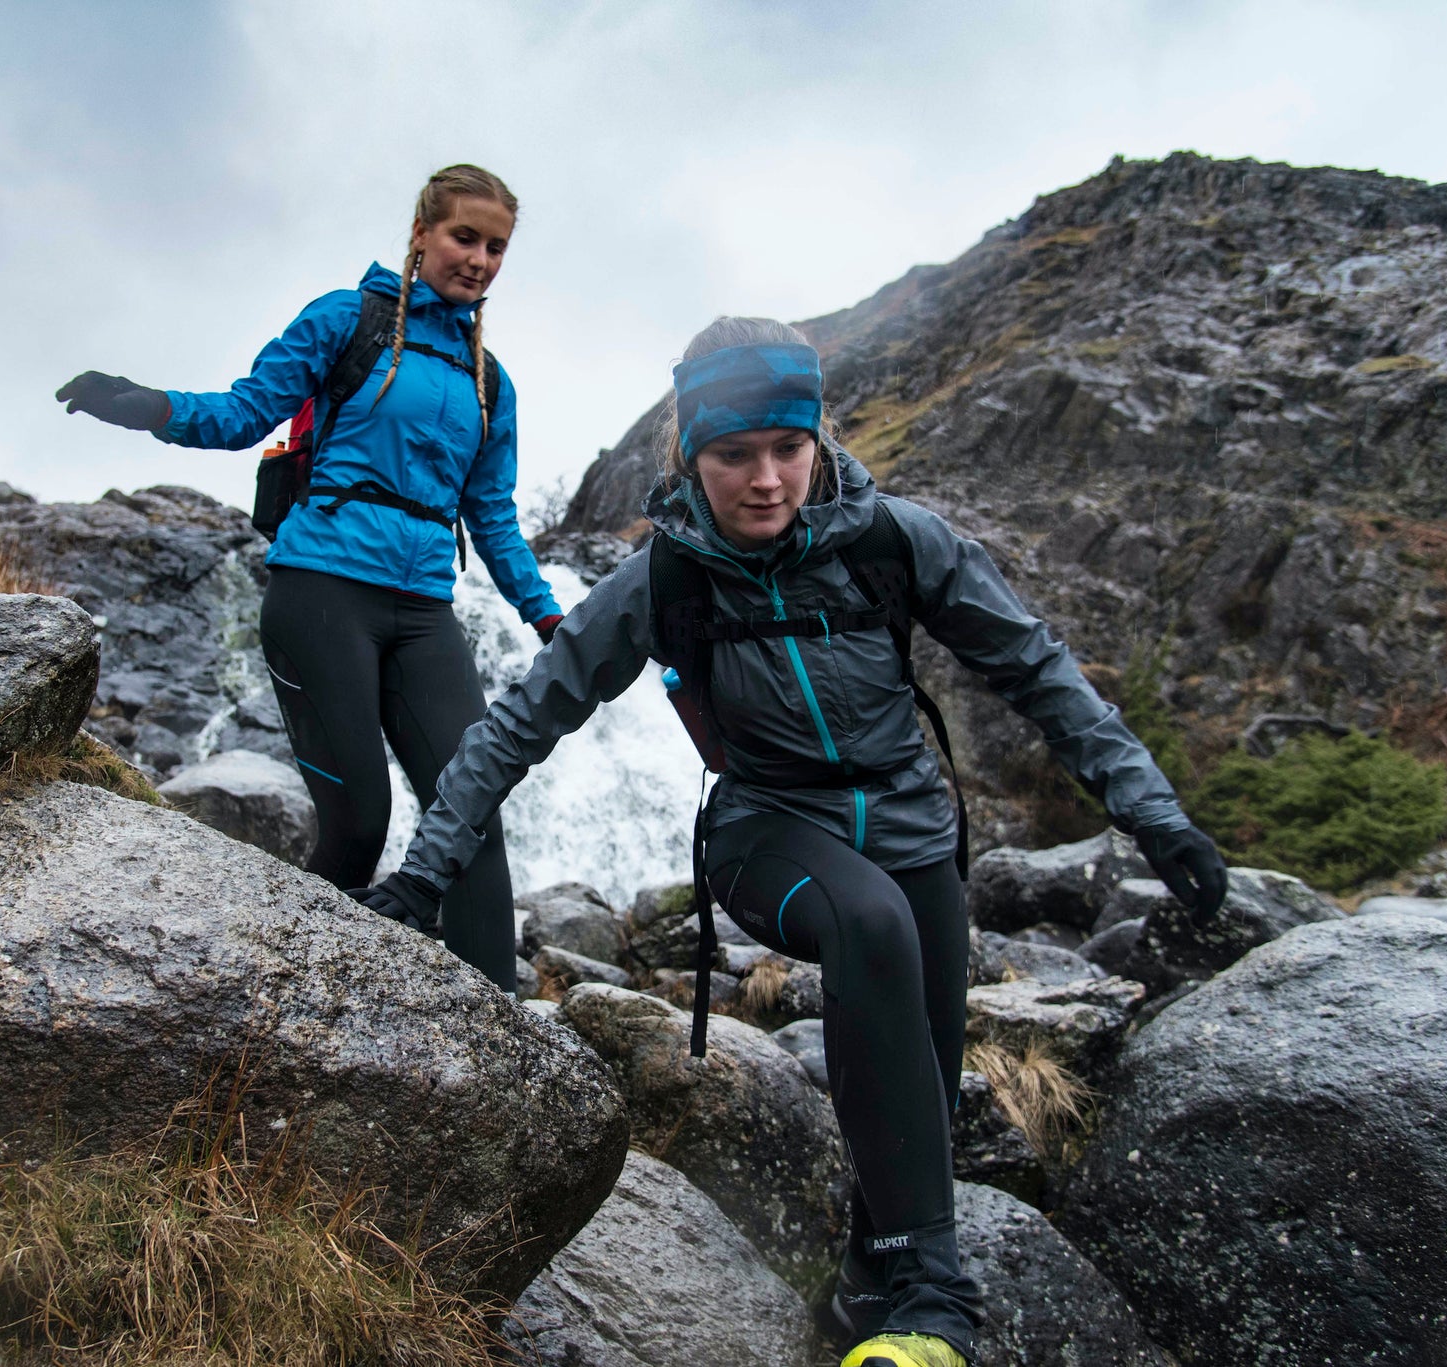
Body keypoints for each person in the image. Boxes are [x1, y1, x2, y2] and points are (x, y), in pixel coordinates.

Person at [355, 317, 1228, 1367]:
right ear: (691, 455)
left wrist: (1155, 815)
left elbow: (1039, 672)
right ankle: (934, 1305)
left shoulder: (895, 542)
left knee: (921, 1072)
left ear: (818, 437)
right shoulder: (662, 579)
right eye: (732, 454)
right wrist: (425, 868)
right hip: (766, 831)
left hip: (909, 830)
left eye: (786, 447)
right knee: (866, 922)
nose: (764, 479)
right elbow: (518, 722)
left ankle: (867, 1289)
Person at [55, 165, 562, 994]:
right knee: (361, 820)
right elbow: (244, 412)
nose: (478, 259)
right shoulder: (346, 319)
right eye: (463, 237)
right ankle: (288, 1008)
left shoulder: (488, 381)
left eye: (496, 247)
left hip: (425, 611)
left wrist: (546, 616)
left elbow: (493, 514)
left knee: (474, 811)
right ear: (421, 236)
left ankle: (498, 1037)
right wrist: (141, 404)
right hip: (322, 590)